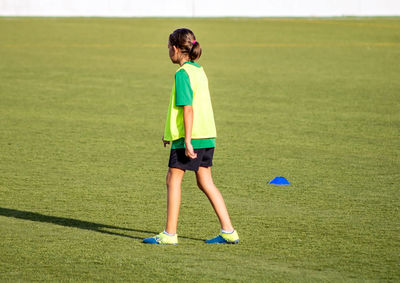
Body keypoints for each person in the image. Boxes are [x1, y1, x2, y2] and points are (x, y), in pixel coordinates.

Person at [143, 28, 239, 245]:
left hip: (191, 136)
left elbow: (188, 108)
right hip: (206, 135)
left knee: (172, 179)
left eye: (169, 47)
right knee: (205, 181)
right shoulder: (199, 70)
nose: (168, 51)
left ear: (176, 49)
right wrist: (170, 134)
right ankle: (229, 231)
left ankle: (169, 234)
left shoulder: (182, 74)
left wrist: (186, 140)